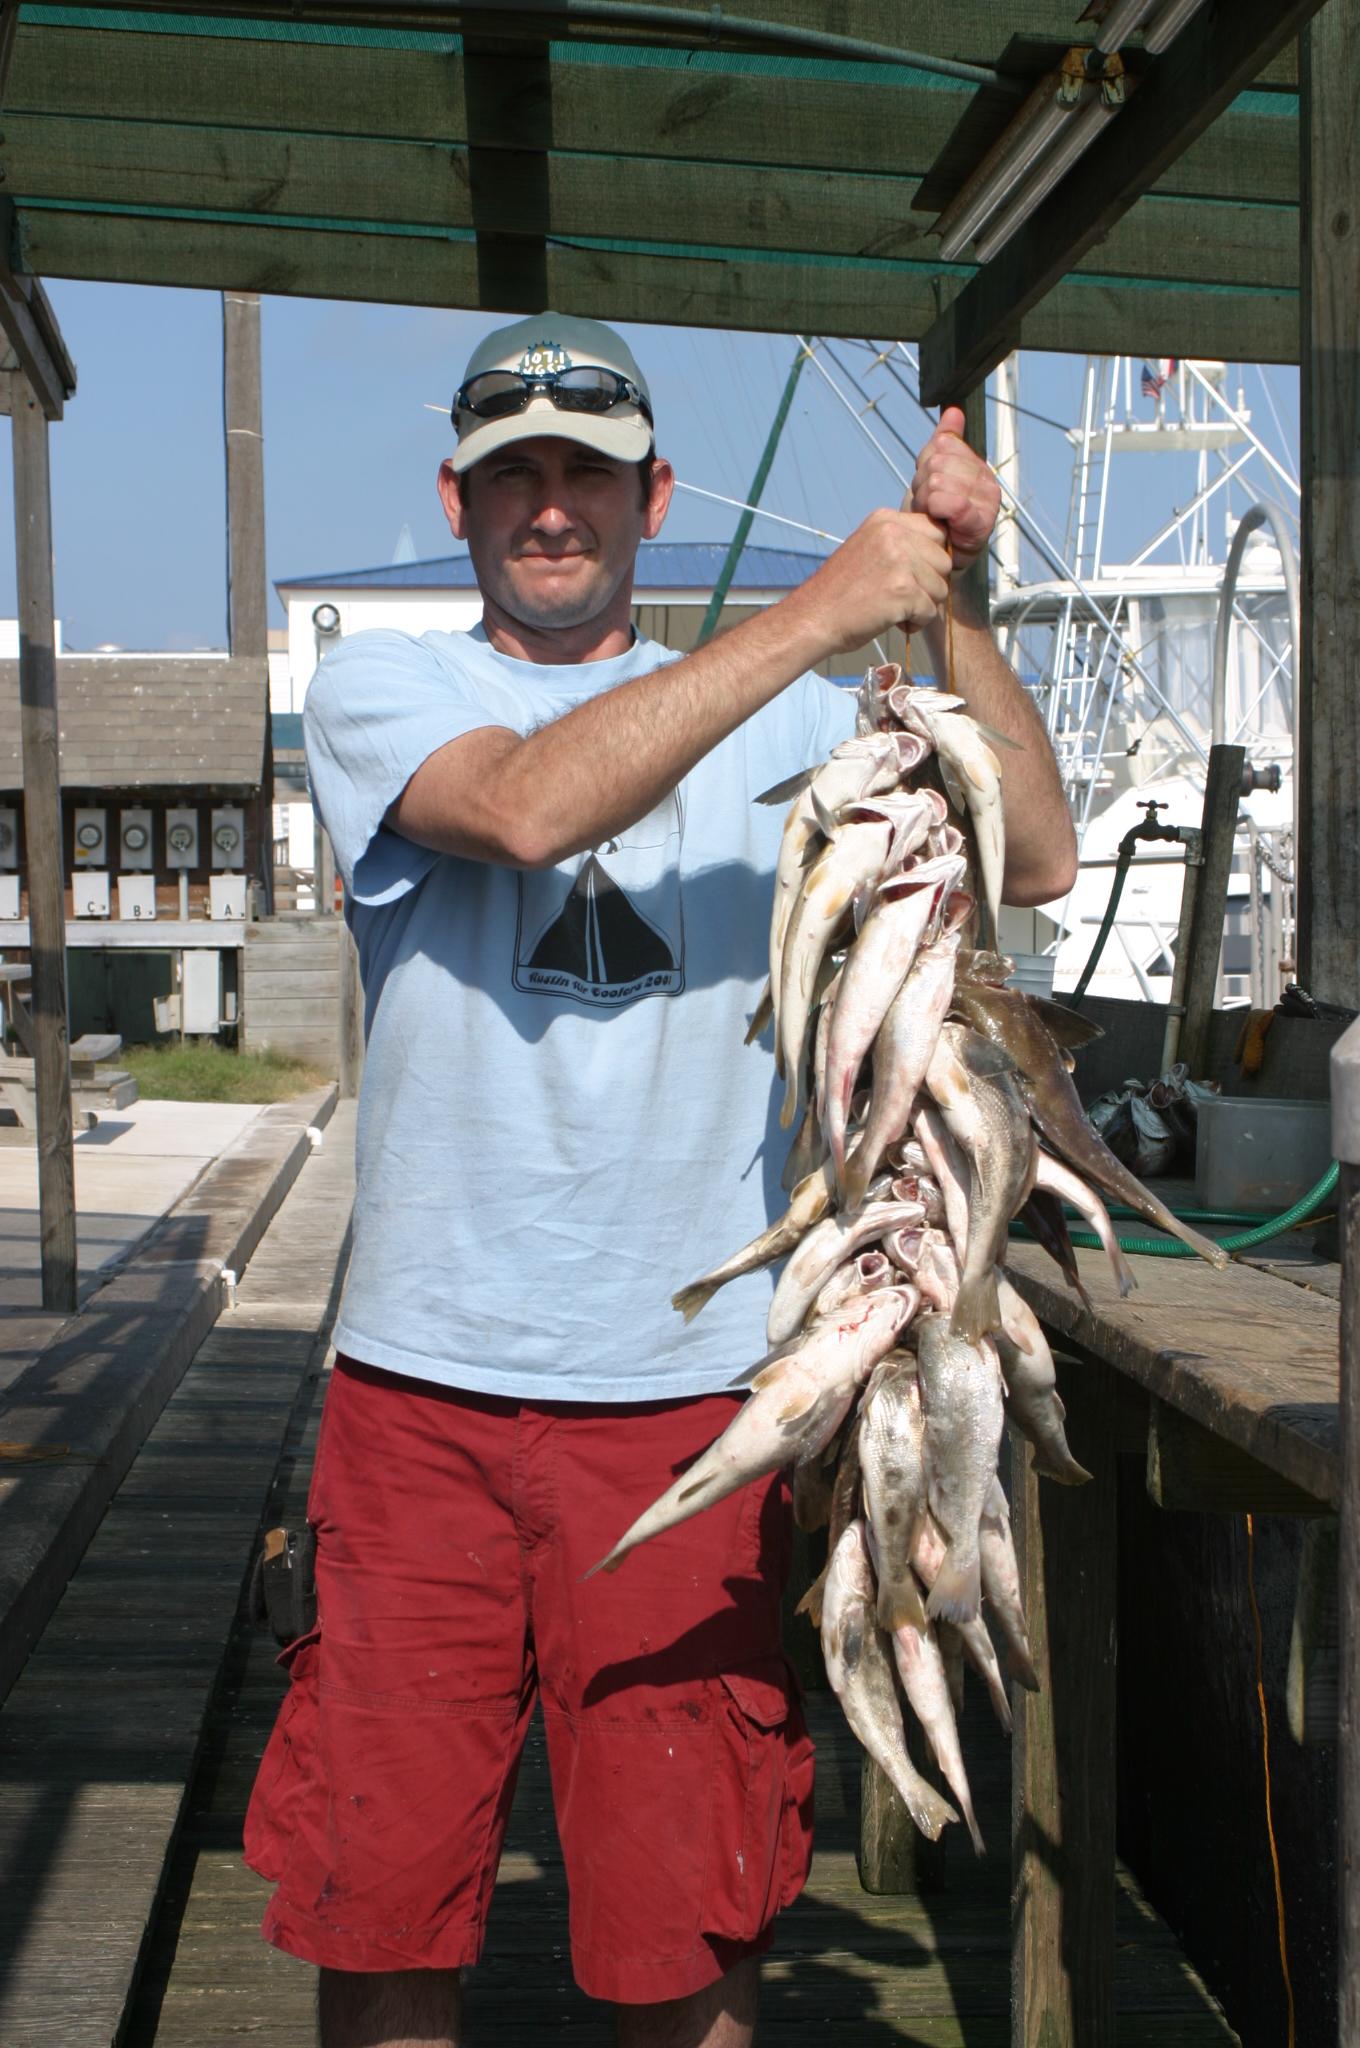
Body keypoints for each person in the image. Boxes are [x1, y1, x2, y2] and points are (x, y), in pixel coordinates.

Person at [244, 313, 1076, 2048]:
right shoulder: (390, 688)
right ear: (459, 503)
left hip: (705, 1407)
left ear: (653, 497)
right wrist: (816, 613)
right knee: (383, 1906)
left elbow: (1043, 857)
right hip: (422, 1409)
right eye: (515, 476)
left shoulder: (801, 716)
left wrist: (942, 608)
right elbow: (535, 810)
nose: (553, 508)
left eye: (589, 477)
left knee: (686, 1919)